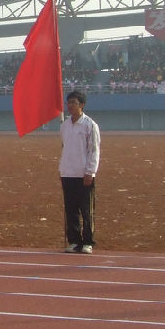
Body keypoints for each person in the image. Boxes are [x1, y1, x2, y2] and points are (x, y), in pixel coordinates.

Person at [59, 90, 100, 254]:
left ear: (82, 105)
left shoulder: (90, 125)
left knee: (86, 210)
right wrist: (61, 168)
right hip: (68, 173)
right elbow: (64, 148)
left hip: (84, 175)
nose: (70, 106)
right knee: (71, 209)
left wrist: (90, 172)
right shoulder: (64, 125)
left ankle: (88, 241)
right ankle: (74, 240)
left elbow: (94, 151)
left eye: (73, 103)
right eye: (68, 103)